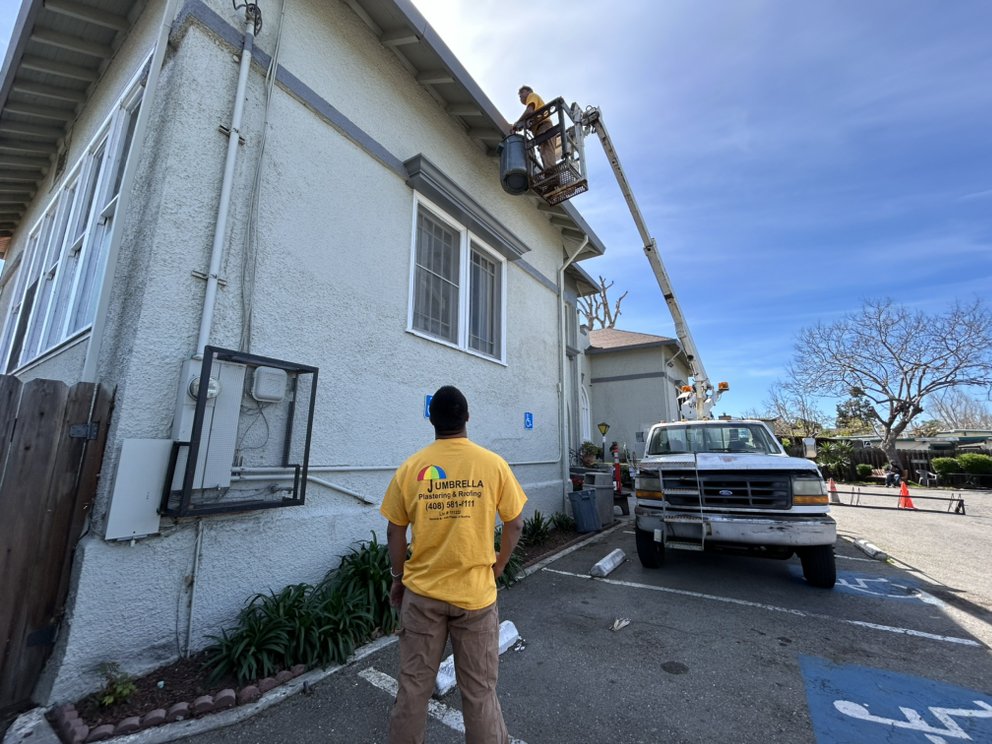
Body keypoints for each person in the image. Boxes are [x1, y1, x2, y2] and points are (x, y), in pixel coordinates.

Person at [381, 385, 526, 744]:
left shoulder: (411, 468)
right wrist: (500, 564)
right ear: (467, 418)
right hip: (475, 596)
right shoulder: (492, 465)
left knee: (413, 688)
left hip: (423, 594)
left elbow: (394, 533)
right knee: (479, 692)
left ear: (431, 420)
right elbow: (516, 523)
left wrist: (398, 578)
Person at [513, 85, 557, 171]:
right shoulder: (535, 105)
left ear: (529, 92)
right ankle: (551, 175)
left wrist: (517, 123)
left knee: (546, 151)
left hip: (543, 126)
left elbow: (529, 111)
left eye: (522, 92)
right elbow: (530, 117)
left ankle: (552, 175)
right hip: (542, 127)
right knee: (545, 152)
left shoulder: (532, 95)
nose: (520, 96)